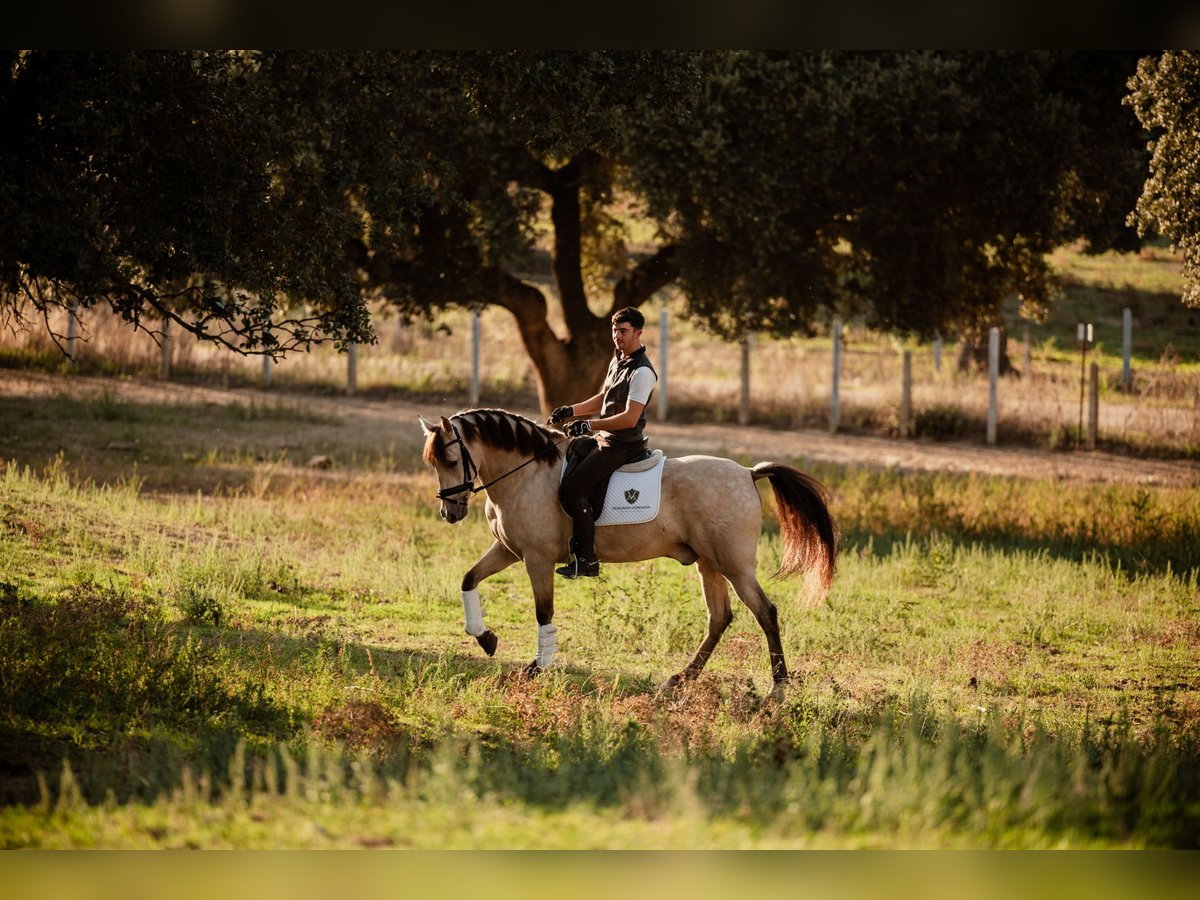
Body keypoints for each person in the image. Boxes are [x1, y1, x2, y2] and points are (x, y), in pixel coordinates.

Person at [549, 307, 657, 578]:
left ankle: (586, 559)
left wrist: (589, 424)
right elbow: (602, 398)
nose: (617, 336)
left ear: (638, 333)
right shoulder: (618, 360)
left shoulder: (643, 372)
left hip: (623, 444)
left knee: (573, 489)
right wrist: (571, 410)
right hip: (605, 438)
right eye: (614, 330)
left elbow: (630, 418)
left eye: (623, 331)